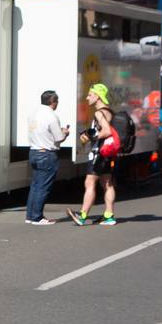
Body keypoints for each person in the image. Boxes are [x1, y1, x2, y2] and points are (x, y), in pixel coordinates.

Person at [68, 83, 118, 226]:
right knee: (107, 184)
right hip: (108, 153)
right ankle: (109, 216)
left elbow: (107, 131)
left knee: (89, 183)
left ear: (97, 96)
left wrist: (91, 138)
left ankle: (82, 216)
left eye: (90, 95)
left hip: (100, 153)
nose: (87, 97)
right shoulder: (109, 111)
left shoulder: (99, 112)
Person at [25, 89, 67, 225]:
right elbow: (59, 138)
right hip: (47, 154)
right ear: (53, 102)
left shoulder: (33, 113)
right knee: (43, 187)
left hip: (34, 151)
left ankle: (30, 216)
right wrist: (65, 132)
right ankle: (37, 217)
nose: (57, 104)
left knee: (35, 185)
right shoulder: (51, 116)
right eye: (57, 101)